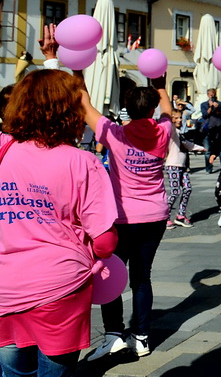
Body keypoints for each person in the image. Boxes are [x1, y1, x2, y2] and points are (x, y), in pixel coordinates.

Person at [0, 70, 118, 377]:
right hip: (61, 288)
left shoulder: (0, 151)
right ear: (72, 111)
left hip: (3, 289)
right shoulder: (83, 162)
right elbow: (105, 243)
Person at [83, 74, 173, 361]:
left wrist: (77, 73)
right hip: (155, 215)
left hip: (120, 218)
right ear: (152, 110)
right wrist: (160, 84)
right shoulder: (163, 132)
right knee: (141, 278)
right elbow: (168, 112)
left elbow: (84, 105)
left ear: (126, 106)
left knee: (111, 274)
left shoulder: (115, 134)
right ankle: (142, 338)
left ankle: (113, 335)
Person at [164, 111, 197, 230]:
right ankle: (164, 217)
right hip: (172, 165)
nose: (179, 120)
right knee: (175, 192)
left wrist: (202, 148)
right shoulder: (172, 131)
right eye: (176, 118)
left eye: (180, 118)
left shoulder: (180, 133)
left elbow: (188, 145)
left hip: (181, 166)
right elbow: (168, 124)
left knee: (187, 188)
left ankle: (180, 216)